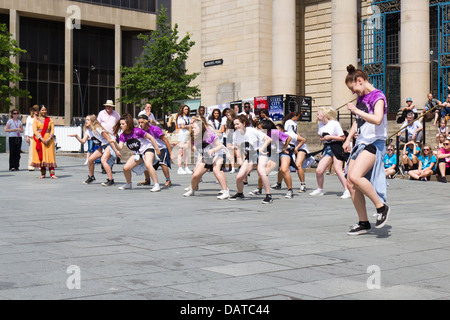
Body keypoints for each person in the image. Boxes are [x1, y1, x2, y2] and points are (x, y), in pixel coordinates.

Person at [344, 64, 390, 235]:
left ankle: (381, 207)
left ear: (360, 81)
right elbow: (358, 121)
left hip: (375, 142)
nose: (352, 92)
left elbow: (377, 119)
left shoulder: (378, 96)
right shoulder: (361, 98)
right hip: (361, 143)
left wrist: (356, 110)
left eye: (353, 88)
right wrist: (348, 138)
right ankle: (363, 222)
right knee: (350, 181)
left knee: (356, 176)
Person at [229, 114, 273, 204]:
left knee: (261, 172)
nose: (236, 126)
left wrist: (261, 148)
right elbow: (237, 147)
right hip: (251, 154)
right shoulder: (235, 134)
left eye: (238, 124)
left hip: (261, 152)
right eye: (234, 124)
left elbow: (268, 139)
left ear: (244, 124)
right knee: (239, 177)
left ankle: (269, 195)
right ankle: (240, 193)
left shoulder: (252, 131)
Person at [111, 113, 161, 191]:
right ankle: (128, 184)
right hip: (138, 153)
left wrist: (157, 149)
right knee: (126, 168)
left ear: (128, 124)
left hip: (148, 149)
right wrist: (114, 143)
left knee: (148, 165)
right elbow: (120, 147)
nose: (121, 126)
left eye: (123, 124)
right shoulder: (123, 135)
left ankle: (156, 184)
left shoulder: (137, 131)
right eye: (120, 124)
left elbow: (151, 137)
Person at [183, 116, 230, 199]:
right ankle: (192, 190)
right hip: (206, 155)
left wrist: (213, 150)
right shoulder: (193, 136)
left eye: (194, 128)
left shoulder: (208, 133)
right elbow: (197, 149)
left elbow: (220, 146)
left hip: (217, 152)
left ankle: (226, 191)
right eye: (192, 128)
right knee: (195, 174)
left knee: (216, 170)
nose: (192, 129)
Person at [309, 106, 350, 199]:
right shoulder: (320, 125)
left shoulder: (334, 124)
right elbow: (321, 138)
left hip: (336, 146)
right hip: (327, 147)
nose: (317, 116)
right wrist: (324, 139)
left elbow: (342, 137)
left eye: (318, 114)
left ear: (324, 115)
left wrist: (330, 137)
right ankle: (320, 189)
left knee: (338, 169)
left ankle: (347, 190)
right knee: (319, 170)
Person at [68, 115, 121, 185]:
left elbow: (109, 139)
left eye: (88, 120)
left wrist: (116, 151)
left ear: (92, 121)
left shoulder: (98, 129)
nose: (86, 121)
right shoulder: (88, 130)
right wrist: (76, 136)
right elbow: (83, 141)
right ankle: (91, 177)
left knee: (103, 160)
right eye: (86, 120)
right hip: (103, 145)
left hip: (110, 144)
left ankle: (111, 180)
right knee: (90, 160)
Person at [253, 120, 294, 199]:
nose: (257, 129)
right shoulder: (261, 135)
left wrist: (285, 147)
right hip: (274, 155)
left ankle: (290, 190)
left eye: (259, 128)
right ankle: (259, 189)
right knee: (263, 172)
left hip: (283, 153)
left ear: (266, 128)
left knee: (284, 170)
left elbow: (289, 137)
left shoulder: (274, 132)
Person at [137, 114, 173, 188]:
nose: (140, 124)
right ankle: (147, 180)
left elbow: (165, 140)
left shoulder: (155, 129)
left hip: (161, 148)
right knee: (146, 163)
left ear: (146, 122)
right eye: (139, 123)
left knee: (163, 163)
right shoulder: (140, 131)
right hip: (151, 149)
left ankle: (168, 180)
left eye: (142, 122)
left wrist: (170, 153)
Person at [31, 105, 58, 179]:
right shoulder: (36, 120)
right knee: (42, 156)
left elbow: (52, 130)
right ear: (39, 111)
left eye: (45, 110)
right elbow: (35, 130)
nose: (44, 111)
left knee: (50, 156)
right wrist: (42, 139)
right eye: (42, 110)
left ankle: (52, 174)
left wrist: (49, 138)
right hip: (40, 140)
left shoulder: (50, 120)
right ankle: (43, 173)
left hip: (49, 140)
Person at [97, 100, 120, 169]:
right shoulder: (101, 113)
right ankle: (104, 167)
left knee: (111, 153)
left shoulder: (116, 114)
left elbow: (119, 123)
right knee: (105, 152)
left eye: (110, 106)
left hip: (113, 136)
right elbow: (97, 124)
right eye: (107, 106)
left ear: (112, 107)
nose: (108, 108)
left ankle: (109, 167)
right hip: (104, 136)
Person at [176, 104, 192, 174]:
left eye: (187, 109)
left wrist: (188, 126)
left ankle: (186, 167)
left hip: (188, 135)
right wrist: (189, 126)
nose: (186, 110)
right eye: (185, 109)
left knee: (187, 152)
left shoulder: (189, 118)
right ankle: (179, 168)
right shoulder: (180, 117)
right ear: (182, 110)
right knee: (181, 152)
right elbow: (182, 126)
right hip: (182, 135)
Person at [221, 109, 237, 173]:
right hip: (229, 137)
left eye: (229, 115)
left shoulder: (235, 121)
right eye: (227, 115)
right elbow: (226, 129)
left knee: (237, 153)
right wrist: (226, 134)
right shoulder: (228, 121)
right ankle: (232, 168)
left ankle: (241, 166)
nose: (228, 117)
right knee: (231, 153)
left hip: (235, 137)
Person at [25, 105, 39, 171]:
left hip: (38, 136)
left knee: (39, 151)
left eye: (37, 110)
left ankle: (39, 165)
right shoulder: (29, 118)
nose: (36, 111)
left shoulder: (40, 118)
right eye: (35, 110)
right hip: (31, 136)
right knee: (31, 152)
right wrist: (27, 136)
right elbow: (27, 127)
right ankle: (31, 166)